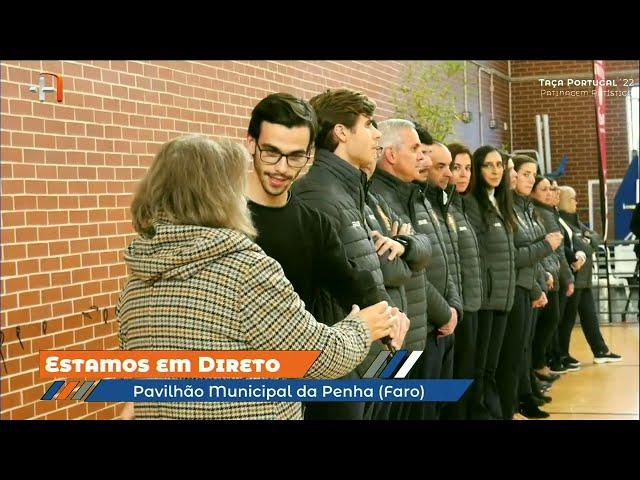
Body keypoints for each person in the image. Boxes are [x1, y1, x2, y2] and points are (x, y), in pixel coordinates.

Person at [117, 135, 398, 420]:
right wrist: (362, 327)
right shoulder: (245, 270)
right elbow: (314, 358)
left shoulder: (138, 280)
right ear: (221, 195)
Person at [292, 88, 409, 420]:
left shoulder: (345, 191)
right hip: (337, 362)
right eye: (369, 124)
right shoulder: (318, 195)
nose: (377, 134)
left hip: (361, 353)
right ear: (341, 132)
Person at [464, 145, 517, 420]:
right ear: (478, 168)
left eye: (499, 165)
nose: (495, 170)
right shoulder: (473, 203)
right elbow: (476, 255)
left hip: (502, 298)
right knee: (479, 366)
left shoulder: (500, 201)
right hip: (485, 298)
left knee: (490, 367)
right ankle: (479, 412)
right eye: (488, 165)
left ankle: (492, 411)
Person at [440, 142, 483, 420]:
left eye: (467, 168)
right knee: (452, 381)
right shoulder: (442, 206)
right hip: (452, 307)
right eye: (456, 167)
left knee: (469, 372)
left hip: (470, 302)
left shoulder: (462, 206)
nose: (463, 174)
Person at [557, 186, 622, 364]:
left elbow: (595, 238)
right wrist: (586, 241)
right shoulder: (560, 222)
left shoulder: (576, 222)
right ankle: (561, 354)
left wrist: (587, 239)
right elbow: (581, 247)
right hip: (573, 279)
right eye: (572, 198)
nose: (576, 202)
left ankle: (600, 350)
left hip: (584, 280)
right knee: (567, 321)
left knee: (590, 317)